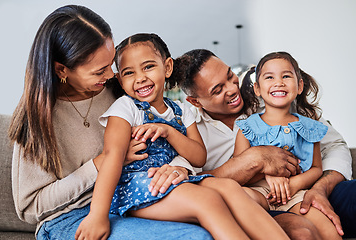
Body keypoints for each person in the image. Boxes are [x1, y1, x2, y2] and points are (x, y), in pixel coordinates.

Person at [8, 5, 215, 240]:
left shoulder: (117, 91)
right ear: (61, 70)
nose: (110, 76)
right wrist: (101, 164)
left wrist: (179, 167)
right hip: (70, 217)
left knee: (211, 223)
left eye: (111, 65)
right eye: (99, 71)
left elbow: (169, 133)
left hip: (129, 197)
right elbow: (29, 208)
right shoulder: (37, 116)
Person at [75, 33, 290, 240]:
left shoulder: (180, 110)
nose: (140, 78)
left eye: (148, 67)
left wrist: (168, 132)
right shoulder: (125, 107)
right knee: (208, 201)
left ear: (167, 67)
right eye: (129, 73)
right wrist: (98, 214)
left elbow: (198, 158)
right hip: (136, 188)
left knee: (229, 187)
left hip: (175, 182)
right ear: (121, 81)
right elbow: (112, 157)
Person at [169, 48, 355, 238]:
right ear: (195, 101)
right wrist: (255, 161)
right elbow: (192, 183)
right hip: (257, 201)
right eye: (218, 90)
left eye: (230, 75)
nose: (233, 89)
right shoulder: (190, 132)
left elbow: (333, 145)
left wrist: (320, 189)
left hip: (306, 189)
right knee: (301, 230)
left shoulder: (274, 95)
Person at [233, 51, 341, 239]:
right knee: (236, 198)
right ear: (257, 89)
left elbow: (316, 168)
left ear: (299, 86)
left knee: (329, 230)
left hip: (296, 194)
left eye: (286, 76)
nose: (279, 82)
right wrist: (266, 174)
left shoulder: (310, 127)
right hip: (258, 191)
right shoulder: (247, 127)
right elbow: (238, 169)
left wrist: (294, 184)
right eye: (269, 77)